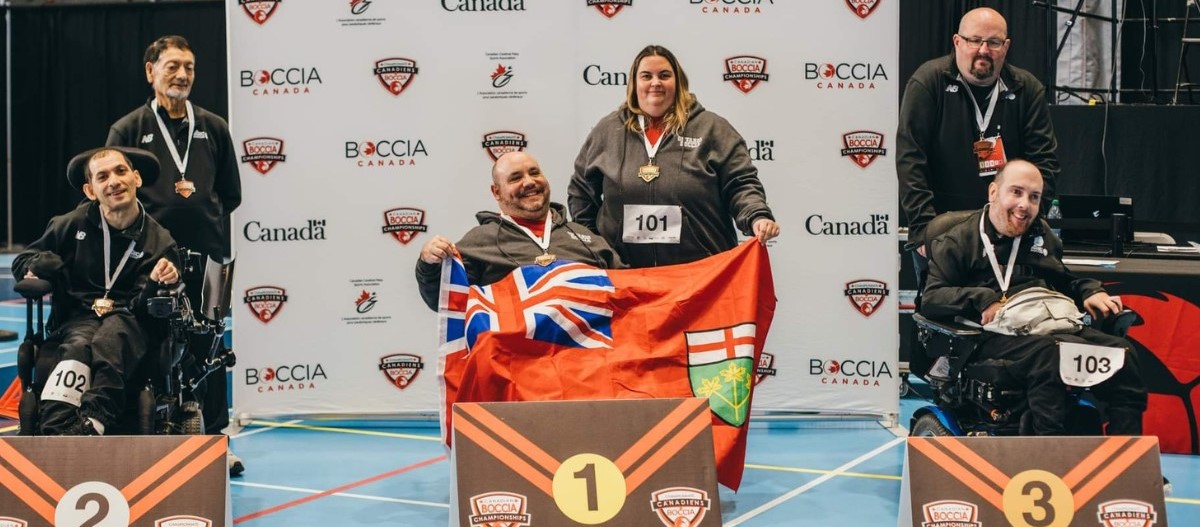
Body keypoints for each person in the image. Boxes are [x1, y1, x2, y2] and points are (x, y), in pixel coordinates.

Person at [922, 160, 1145, 436]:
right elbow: (932, 297)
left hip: (1043, 323)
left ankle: (1125, 454)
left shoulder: (1042, 235)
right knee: (1049, 354)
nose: (1024, 204)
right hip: (986, 336)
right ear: (993, 192)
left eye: (1034, 197)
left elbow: (1063, 280)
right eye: (1016, 192)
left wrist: (1090, 290)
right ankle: (1048, 454)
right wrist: (980, 297)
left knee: (1123, 353)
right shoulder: (957, 240)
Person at [106, 34, 242, 473]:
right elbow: (113, 194)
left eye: (189, 67)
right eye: (172, 66)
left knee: (210, 346)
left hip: (208, 258)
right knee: (151, 343)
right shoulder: (128, 130)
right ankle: (149, 437)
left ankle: (218, 441)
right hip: (148, 258)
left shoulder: (215, 127)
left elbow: (230, 195)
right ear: (151, 72)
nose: (182, 75)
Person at [13, 147, 179, 435]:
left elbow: (145, 308)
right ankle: (55, 428)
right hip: (78, 321)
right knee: (77, 345)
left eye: (120, 171)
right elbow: (22, 262)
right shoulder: (68, 225)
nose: (113, 181)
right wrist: (40, 264)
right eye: (102, 177)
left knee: (111, 336)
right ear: (91, 190)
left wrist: (157, 281)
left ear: (136, 178)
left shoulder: (160, 241)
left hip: (130, 321)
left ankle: (93, 422)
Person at [569, 44, 779, 268]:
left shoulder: (712, 128)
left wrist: (757, 216)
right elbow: (581, 191)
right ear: (634, 84)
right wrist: (595, 245)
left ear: (678, 82)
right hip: (626, 277)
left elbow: (740, 184)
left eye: (664, 75)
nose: (655, 83)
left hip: (701, 274)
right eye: (646, 76)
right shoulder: (608, 131)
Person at [897, 7, 1060, 292]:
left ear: (1006, 47)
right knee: (945, 317)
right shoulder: (928, 82)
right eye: (974, 40)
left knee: (1007, 321)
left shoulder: (1027, 89)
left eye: (993, 42)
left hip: (1007, 233)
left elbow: (1044, 163)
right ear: (957, 42)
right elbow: (911, 159)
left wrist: (1028, 222)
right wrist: (924, 229)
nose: (983, 50)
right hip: (941, 235)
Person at [416, 151, 623, 310]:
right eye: (515, 178)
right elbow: (443, 300)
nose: (530, 182)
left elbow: (629, 289)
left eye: (534, 173)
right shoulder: (479, 242)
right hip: (519, 362)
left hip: (587, 358)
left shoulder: (584, 237)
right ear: (497, 192)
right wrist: (429, 264)